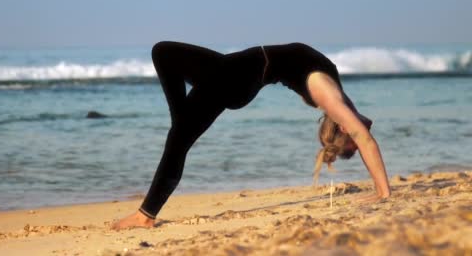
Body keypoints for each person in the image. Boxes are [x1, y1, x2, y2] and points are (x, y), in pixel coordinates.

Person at [112, 41, 390, 230]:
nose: (368, 126)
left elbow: (364, 138)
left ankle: (145, 215)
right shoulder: (337, 93)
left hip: (233, 79)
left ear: (344, 127)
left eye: (357, 132)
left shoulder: (329, 96)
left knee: (164, 60)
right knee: (177, 127)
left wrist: (382, 192)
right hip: (233, 74)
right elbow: (360, 128)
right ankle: (177, 129)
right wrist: (361, 124)